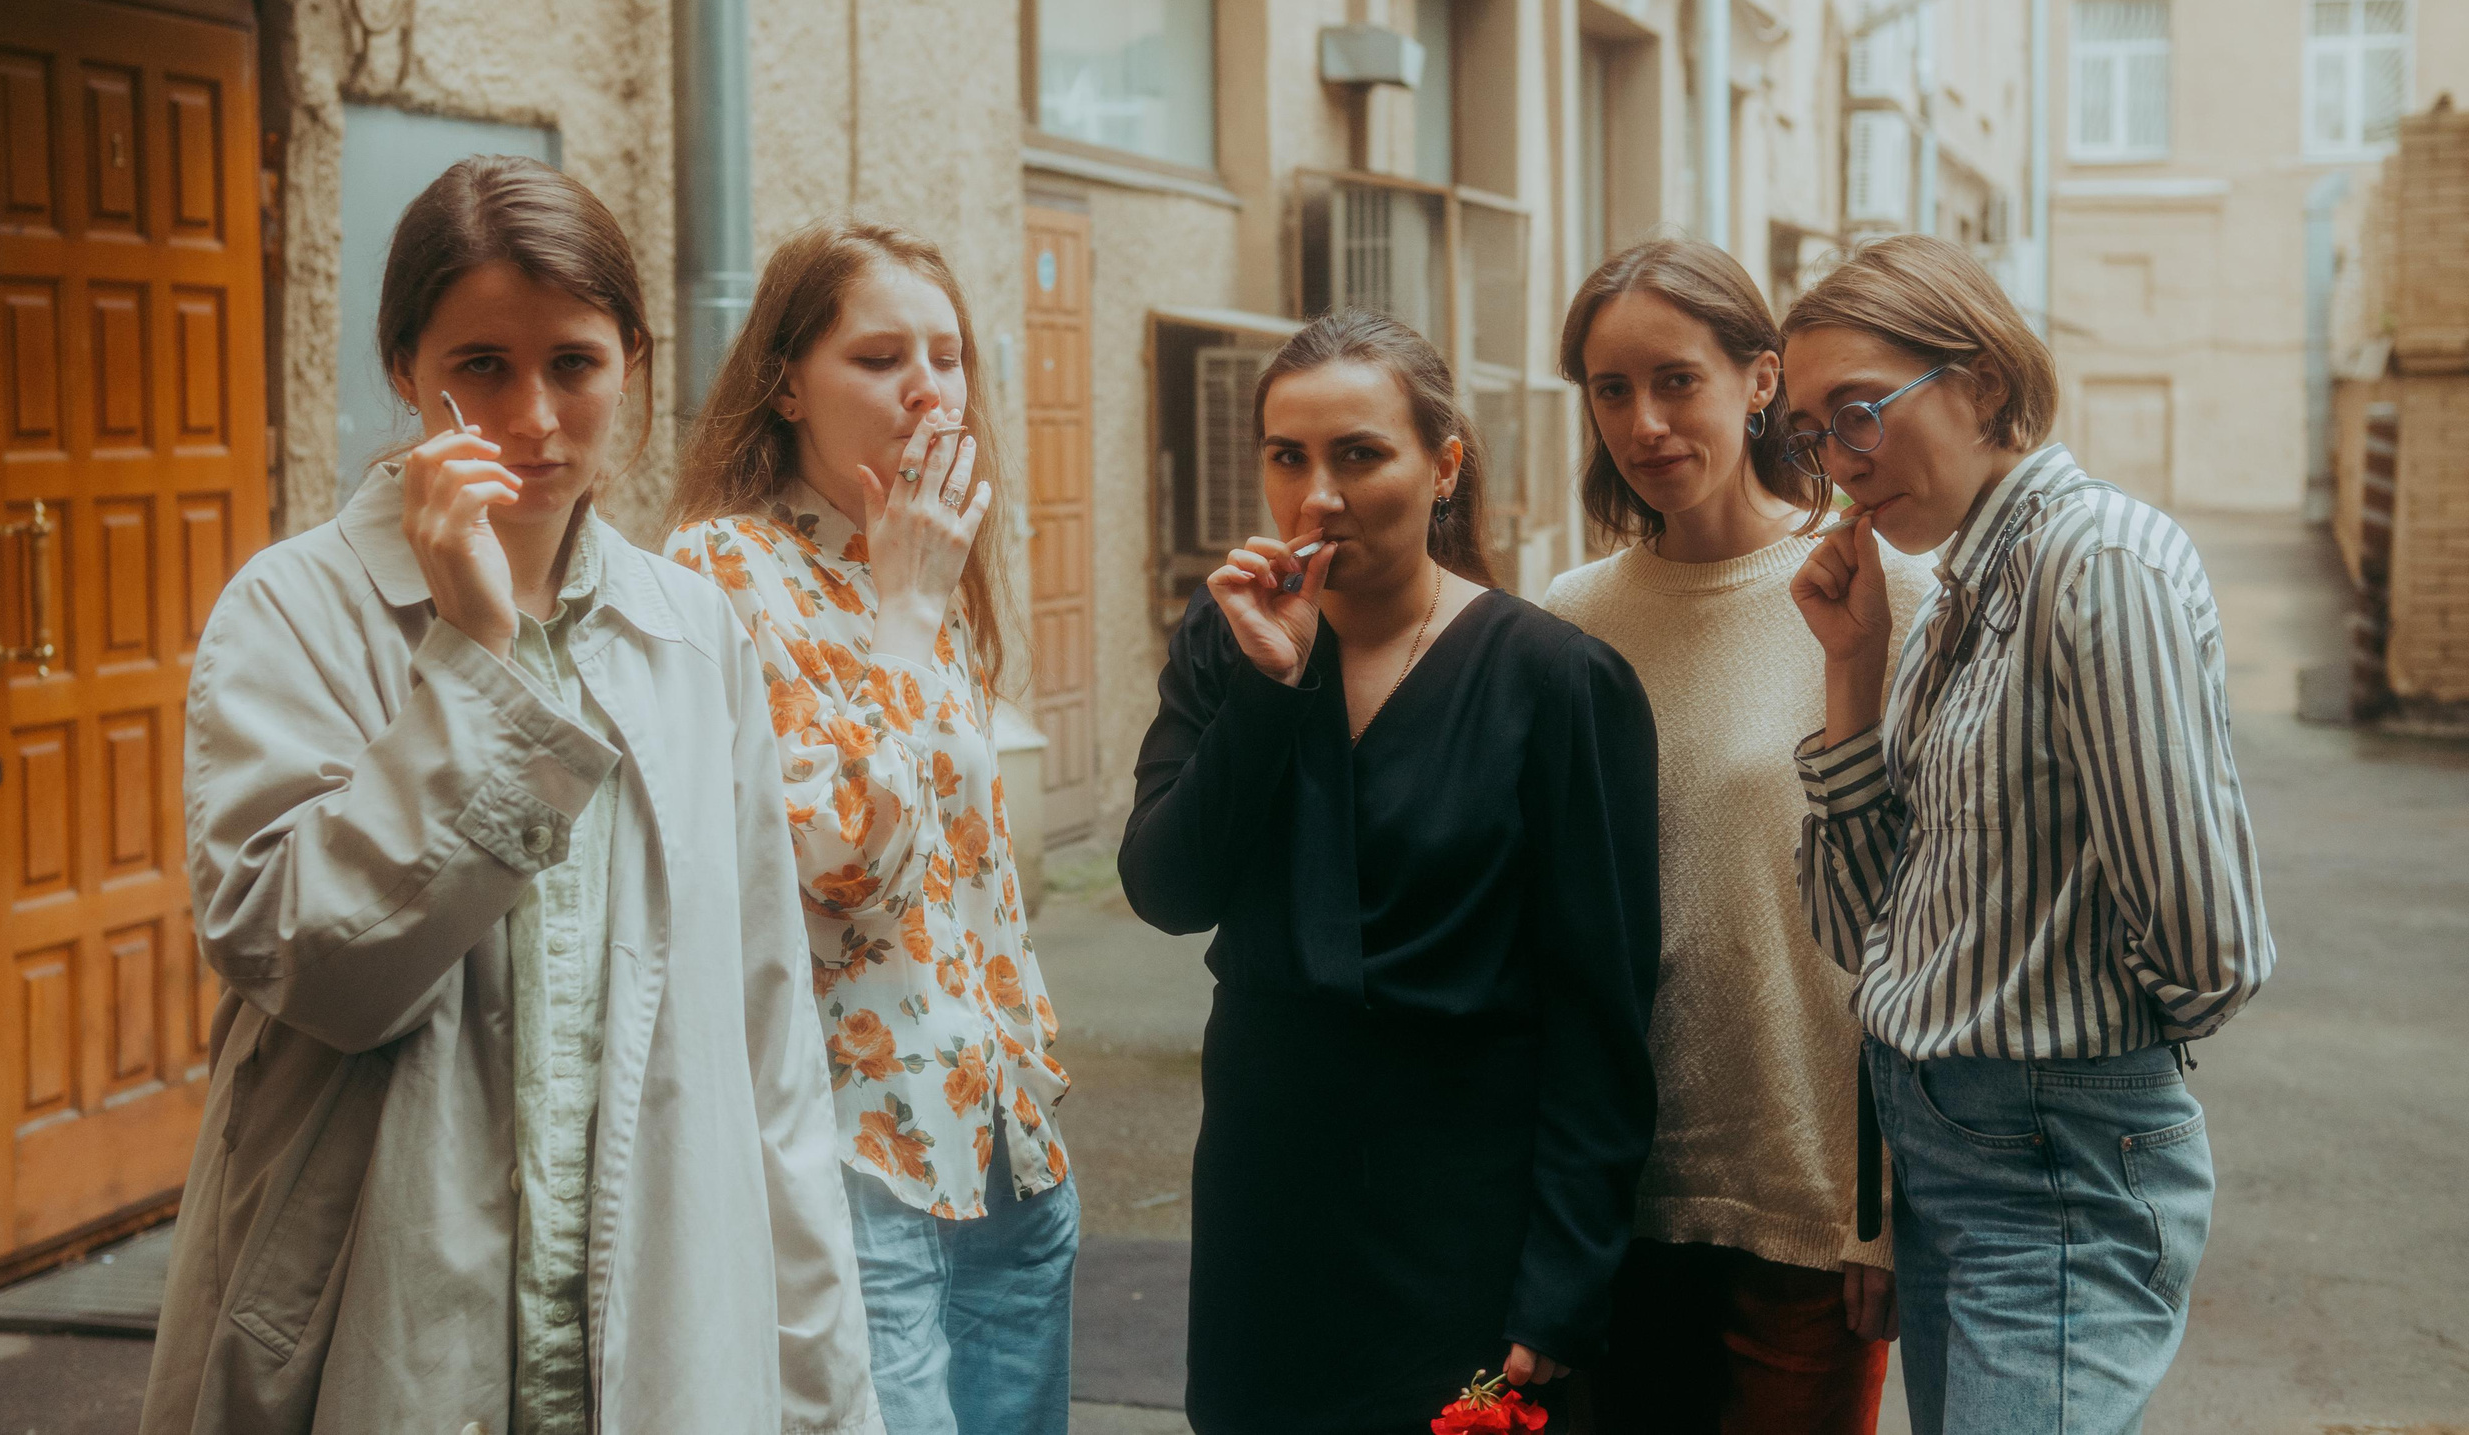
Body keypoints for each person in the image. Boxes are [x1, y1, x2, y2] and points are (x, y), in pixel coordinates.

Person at [140, 157, 879, 1435]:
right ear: (403, 368)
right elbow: (313, 962)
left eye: (574, 365)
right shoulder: (293, 610)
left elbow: (768, 1040)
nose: (533, 418)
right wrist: (475, 662)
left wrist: (823, 1391)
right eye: (480, 366)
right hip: (383, 1320)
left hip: (660, 1329)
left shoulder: (693, 634)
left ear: (632, 366)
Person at [1120, 309, 1661, 1435]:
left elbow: (1600, 1008)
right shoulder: (1228, 641)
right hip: (1268, 1194)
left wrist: (1563, 1282)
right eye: (1288, 456)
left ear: (1442, 464)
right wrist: (1269, 690)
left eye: (1359, 454)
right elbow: (1168, 891)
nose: (1318, 493)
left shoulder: (1555, 682)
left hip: (1464, 1214)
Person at [1782, 234, 2274, 1435]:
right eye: (1808, 436)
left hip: (2050, 1162)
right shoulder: (1963, 589)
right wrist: (1851, 668)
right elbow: (1864, 930)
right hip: (1951, 1153)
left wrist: (2054, 1056)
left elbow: (2209, 952)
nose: (1840, 468)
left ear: (1983, 383)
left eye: (1857, 415)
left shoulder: (2093, 564)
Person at [665, 218, 1076, 1435]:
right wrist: (904, 609)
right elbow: (842, 860)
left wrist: (1032, 1068)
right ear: (787, 382)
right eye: (881, 357)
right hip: (864, 1153)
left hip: (1006, 1134)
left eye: (946, 357)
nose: (927, 390)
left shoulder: (922, 557)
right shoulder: (722, 571)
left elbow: (971, 871)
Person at [1543, 237, 1933, 1435]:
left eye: (1676, 380)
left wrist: (1885, 1203)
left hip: (1811, 1200)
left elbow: (1922, 918)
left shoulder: (1876, 592)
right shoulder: (1567, 620)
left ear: (1760, 381)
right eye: (1612, 389)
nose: (1645, 421)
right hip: (1612, 1193)